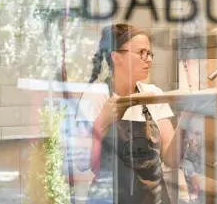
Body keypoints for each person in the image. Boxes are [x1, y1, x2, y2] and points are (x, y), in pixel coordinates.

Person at [82, 23, 197, 204]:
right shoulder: (96, 96)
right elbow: (84, 164)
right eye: (141, 52)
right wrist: (102, 121)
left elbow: (171, 158)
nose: (148, 59)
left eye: (150, 53)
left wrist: (187, 117)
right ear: (116, 57)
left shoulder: (152, 94)